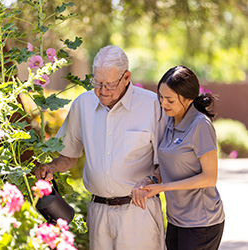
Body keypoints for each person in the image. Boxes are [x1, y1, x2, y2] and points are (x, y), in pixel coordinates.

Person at [35, 45, 167, 250]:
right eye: (97, 83)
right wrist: (50, 168)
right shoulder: (83, 105)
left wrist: (150, 180)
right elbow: (69, 156)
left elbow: (167, 164)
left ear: (126, 77)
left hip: (138, 213)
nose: (102, 91)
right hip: (98, 213)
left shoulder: (152, 106)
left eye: (109, 85)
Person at [132, 65, 225, 250]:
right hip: (176, 220)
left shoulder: (200, 126)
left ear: (188, 99)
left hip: (202, 223)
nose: (163, 104)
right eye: (161, 97)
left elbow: (209, 178)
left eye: (170, 100)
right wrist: (150, 179)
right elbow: (170, 163)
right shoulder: (170, 121)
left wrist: (163, 187)